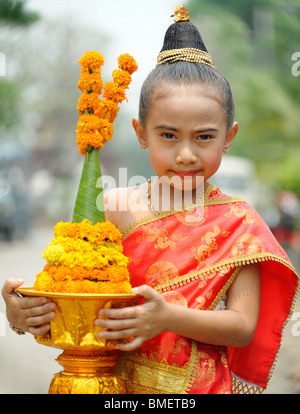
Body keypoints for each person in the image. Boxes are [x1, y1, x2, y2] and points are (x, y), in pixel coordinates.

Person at [2, 6, 299, 394]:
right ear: (141, 133)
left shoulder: (240, 224)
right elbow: (73, 297)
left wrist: (165, 318)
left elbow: (242, 328)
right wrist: (22, 312)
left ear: (230, 136)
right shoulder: (116, 208)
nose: (187, 154)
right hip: (114, 385)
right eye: (168, 136)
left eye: (205, 137)